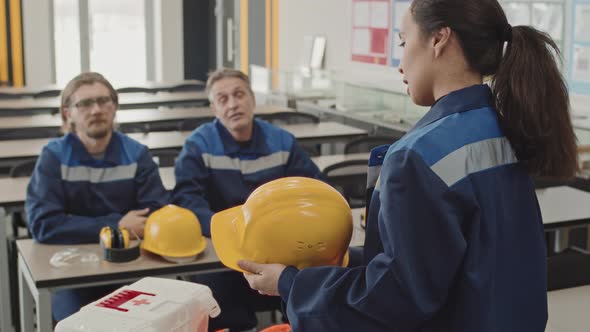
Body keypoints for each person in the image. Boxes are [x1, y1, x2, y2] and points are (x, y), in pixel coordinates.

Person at [238, 1, 579, 331]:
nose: (399, 64)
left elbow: (395, 298)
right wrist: (350, 260)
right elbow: (463, 255)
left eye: (403, 42)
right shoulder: (503, 127)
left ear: (438, 39)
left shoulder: (417, 157)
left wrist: (291, 284)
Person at [172, 68, 322, 331]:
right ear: (213, 108)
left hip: (280, 247)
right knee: (219, 298)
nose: (233, 104)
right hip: (222, 252)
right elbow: (188, 202)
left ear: (252, 99)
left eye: (239, 94)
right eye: (223, 99)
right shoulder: (198, 145)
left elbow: (313, 190)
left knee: (311, 287)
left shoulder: (282, 142)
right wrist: (232, 233)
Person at [26, 72, 169, 321]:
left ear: (115, 108)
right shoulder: (54, 157)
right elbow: (44, 224)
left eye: (104, 101)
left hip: (131, 267)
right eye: (85, 104)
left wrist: (73, 223)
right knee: (81, 322)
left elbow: (155, 215)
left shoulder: (137, 154)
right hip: (71, 272)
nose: (96, 110)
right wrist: (117, 225)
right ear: (68, 113)